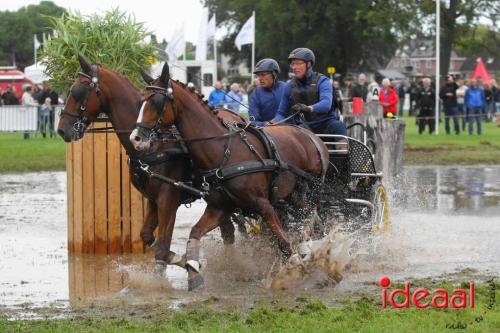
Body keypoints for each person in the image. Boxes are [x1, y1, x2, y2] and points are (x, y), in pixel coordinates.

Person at [274, 48, 347, 137]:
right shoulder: (289, 86)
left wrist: (309, 108)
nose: (294, 67)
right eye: (292, 64)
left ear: (308, 64)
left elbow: (326, 104)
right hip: (304, 127)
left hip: (327, 124)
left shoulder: (323, 81)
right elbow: (281, 113)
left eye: (298, 63)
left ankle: (343, 151)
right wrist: (276, 124)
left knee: (339, 126)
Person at [248, 58, 285, 126]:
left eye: (263, 74)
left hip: (290, 130)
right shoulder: (256, 94)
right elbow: (252, 121)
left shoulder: (286, 88)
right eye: (258, 75)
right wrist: (265, 124)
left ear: (274, 73)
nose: (260, 78)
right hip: (268, 132)